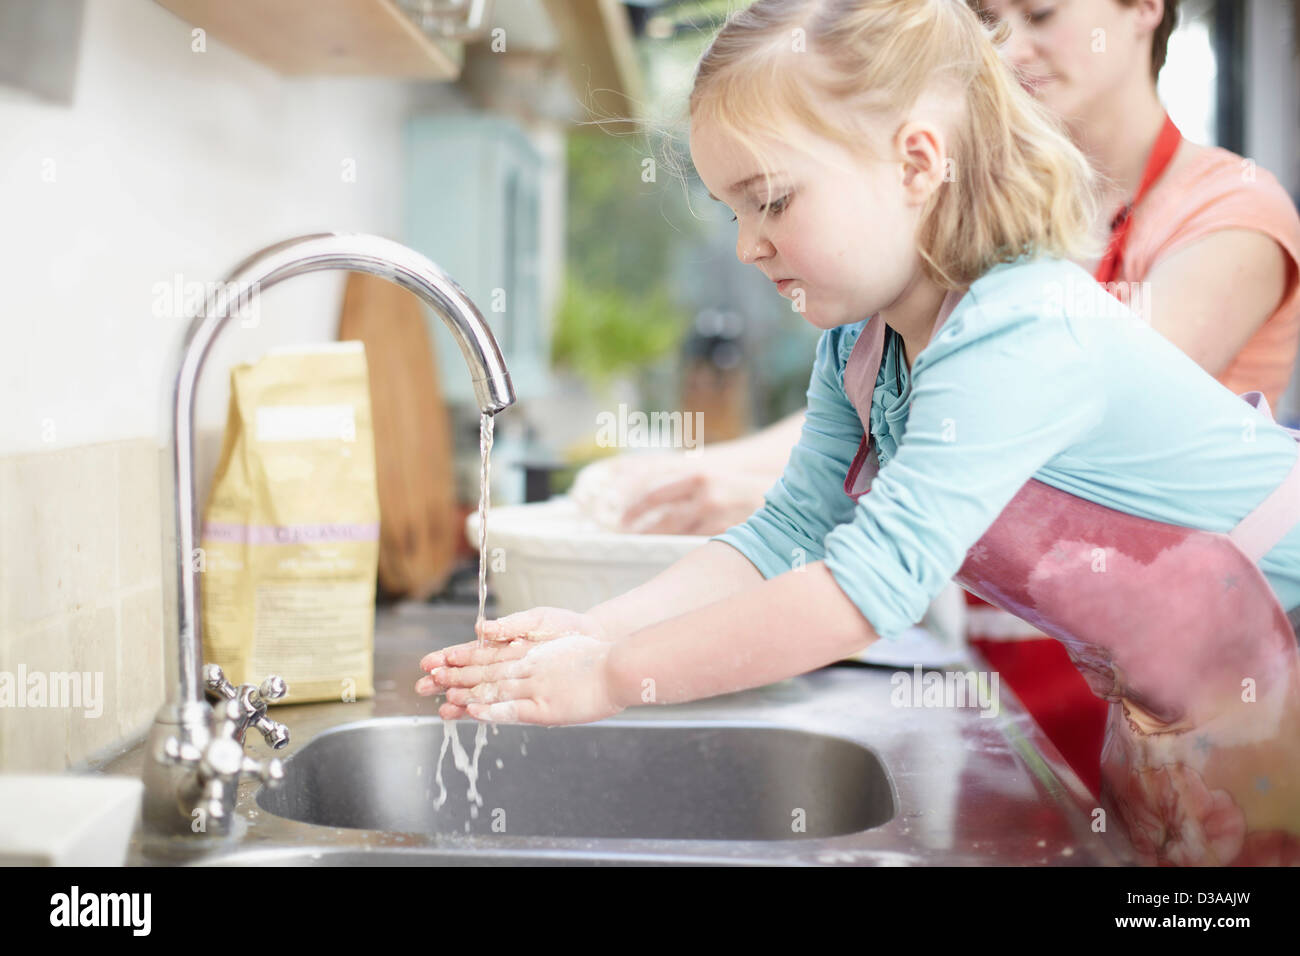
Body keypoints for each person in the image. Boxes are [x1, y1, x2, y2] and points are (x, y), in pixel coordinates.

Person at [417, 0, 1300, 865]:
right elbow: (784, 536)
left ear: (917, 163)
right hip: (1181, 700)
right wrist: (593, 634)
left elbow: (863, 590)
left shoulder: (1020, 329)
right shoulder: (863, 347)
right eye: (733, 210)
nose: (746, 247)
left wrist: (610, 681)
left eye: (770, 200)